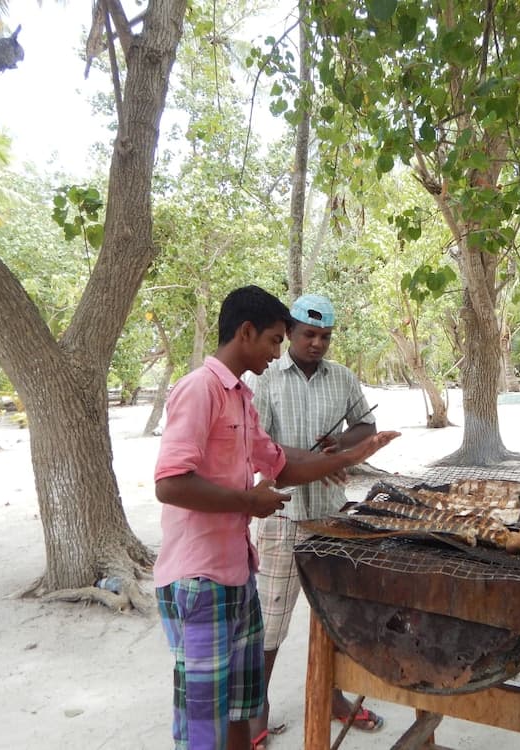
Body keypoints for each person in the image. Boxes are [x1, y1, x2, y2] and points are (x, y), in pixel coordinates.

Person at [152, 285, 399, 750]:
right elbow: (169, 483)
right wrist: (249, 501)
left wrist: (354, 453)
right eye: (273, 340)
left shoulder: (240, 396)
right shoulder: (199, 389)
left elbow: (281, 462)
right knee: (205, 723)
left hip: (236, 570)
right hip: (198, 578)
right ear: (246, 333)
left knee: (240, 710)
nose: (277, 350)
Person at [243, 293, 384, 745]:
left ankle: (336, 695)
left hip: (329, 513)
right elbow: (258, 446)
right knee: (271, 617)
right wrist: (312, 460)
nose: (317, 343)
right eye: (309, 334)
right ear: (290, 333)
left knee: (334, 612)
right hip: (279, 513)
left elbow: (364, 425)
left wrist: (341, 444)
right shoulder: (265, 380)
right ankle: (256, 706)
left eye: (325, 336)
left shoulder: (342, 378)